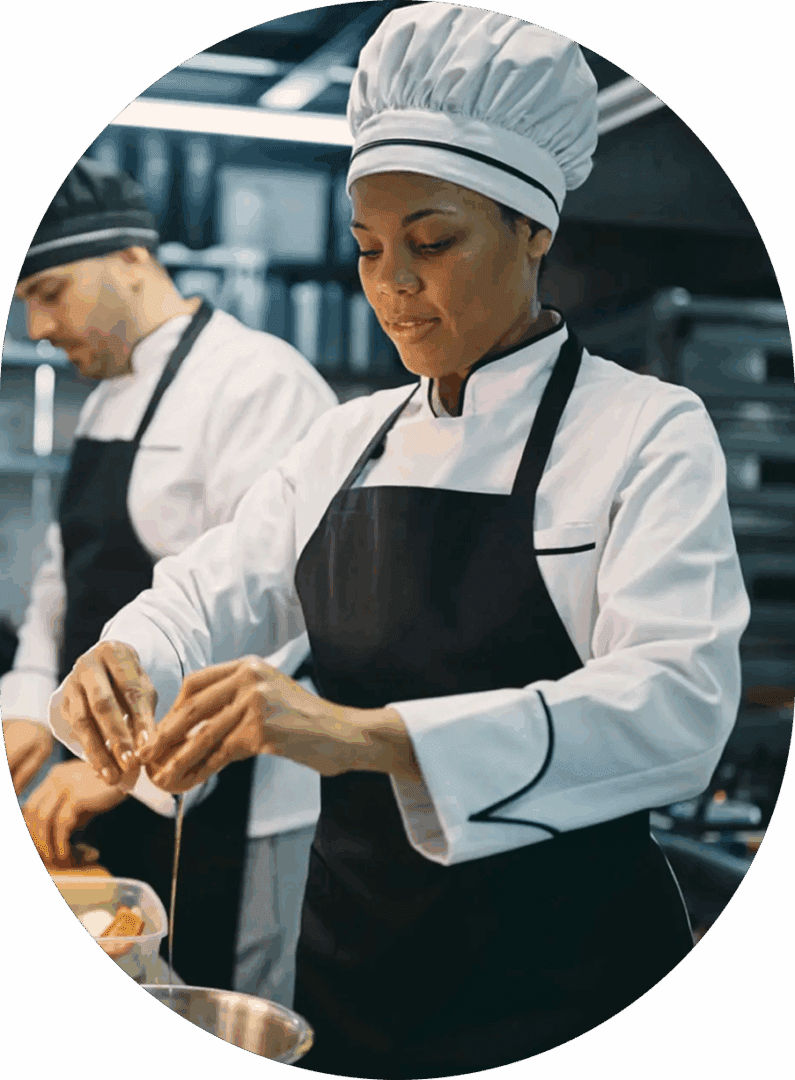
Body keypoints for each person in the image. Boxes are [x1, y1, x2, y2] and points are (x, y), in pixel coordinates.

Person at [45, 7, 751, 1077]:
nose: (392, 286)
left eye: (432, 243)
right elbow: (208, 588)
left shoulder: (645, 430)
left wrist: (369, 738)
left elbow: (678, 706)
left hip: (569, 980)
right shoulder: (346, 440)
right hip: (357, 969)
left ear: (533, 229)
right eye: (369, 249)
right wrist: (129, 655)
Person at [1, 156, 333, 1000]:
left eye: (48, 292)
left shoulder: (259, 384)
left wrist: (125, 767)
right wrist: (29, 705)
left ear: (130, 257)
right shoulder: (106, 397)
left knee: (209, 1000)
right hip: (105, 777)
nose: (37, 327)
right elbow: (62, 585)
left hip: (231, 800)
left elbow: (286, 617)